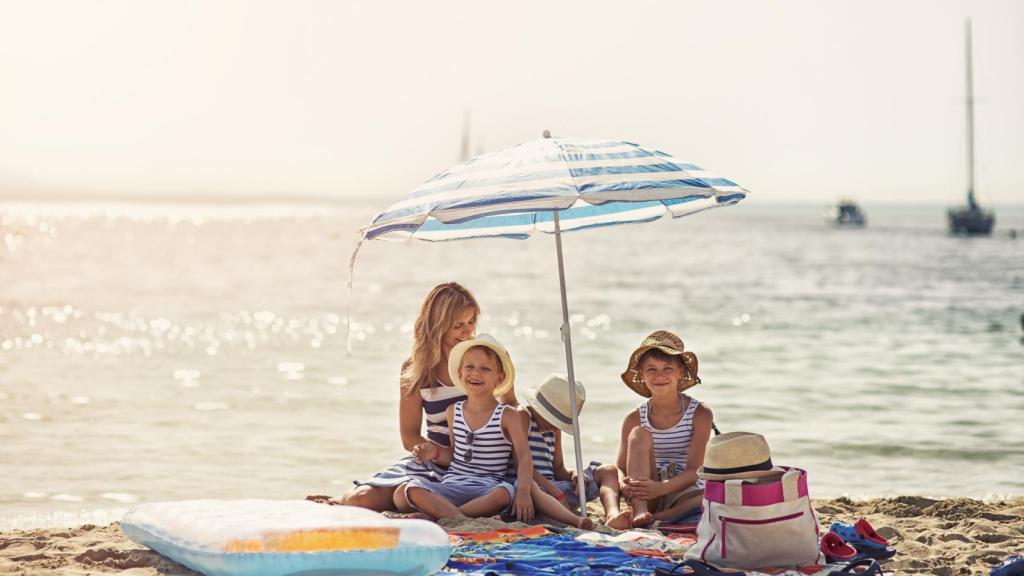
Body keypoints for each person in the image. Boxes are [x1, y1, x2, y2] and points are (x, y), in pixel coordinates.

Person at [339, 282, 516, 512]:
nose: (468, 331)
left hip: (483, 466)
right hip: (436, 460)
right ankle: (337, 499)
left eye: (471, 321)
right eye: (458, 325)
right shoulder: (416, 369)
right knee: (360, 499)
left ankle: (440, 507)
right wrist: (439, 455)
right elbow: (409, 435)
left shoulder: (486, 360)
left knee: (409, 500)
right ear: (437, 326)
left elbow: (511, 407)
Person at [402, 334, 534, 520]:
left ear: (499, 378)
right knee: (413, 487)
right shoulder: (452, 412)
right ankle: (459, 517)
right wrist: (435, 453)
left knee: (505, 492)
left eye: (485, 369)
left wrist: (524, 491)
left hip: (487, 488)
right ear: (460, 373)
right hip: (452, 485)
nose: (475, 373)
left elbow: (524, 456)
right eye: (469, 367)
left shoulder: (508, 415)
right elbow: (456, 455)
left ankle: (445, 517)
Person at [595, 330, 713, 529]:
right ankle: (641, 511)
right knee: (638, 434)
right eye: (651, 369)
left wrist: (661, 488)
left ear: (681, 372)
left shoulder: (700, 413)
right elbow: (621, 468)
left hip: (682, 490)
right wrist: (629, 486)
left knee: (707, 497)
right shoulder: (635, 418)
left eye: (668, 368)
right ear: (641, 374)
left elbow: (695, 470)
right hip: (645, 491)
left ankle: (658, 517)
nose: (660, 375)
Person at [519, 374, 597, 529]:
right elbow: (520, 463)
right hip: (530, 487)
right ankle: (573, 519)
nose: (557, 427)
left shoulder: (554, 431)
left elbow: (559, 469)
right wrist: (554, 491)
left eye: (561, 422)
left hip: (553, 487)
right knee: (533, 488)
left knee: (605, 472)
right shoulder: (523, 417)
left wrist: (575, 475)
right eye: (554, 421)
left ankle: (611, 515)